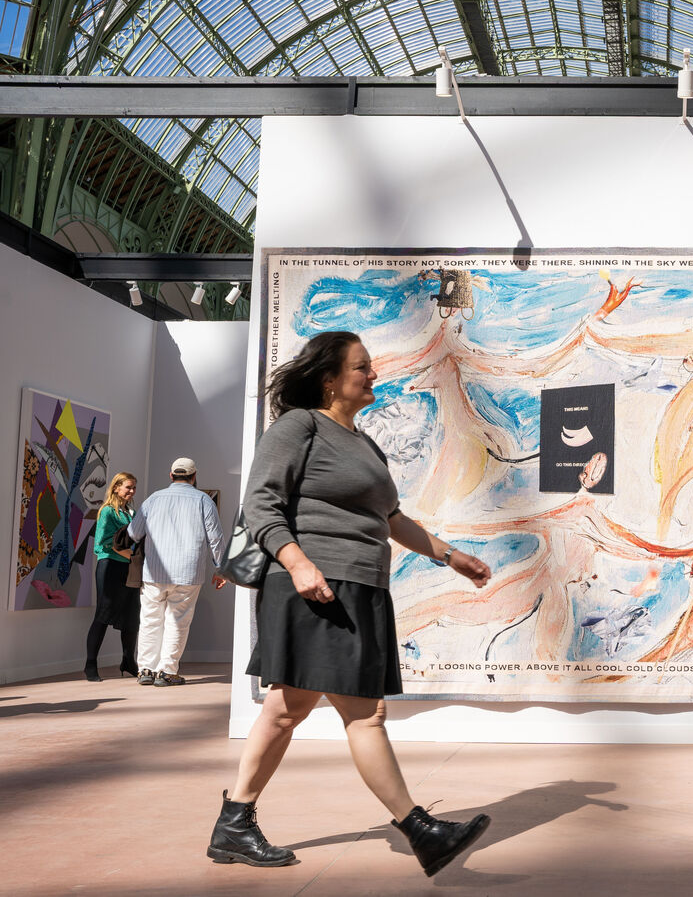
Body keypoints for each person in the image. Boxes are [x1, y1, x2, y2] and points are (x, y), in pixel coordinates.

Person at [209, 330, 495, 878]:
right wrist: (298, 564)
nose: (373, 374)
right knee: (363, 713)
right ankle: (420, 831)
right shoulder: (299, 426)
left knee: (288, 709)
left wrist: (450, 555)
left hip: (359, 586)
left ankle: (234, 823)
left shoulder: (363, 443)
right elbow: (261, 503)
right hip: (315, 585)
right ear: (329, 379)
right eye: (362, 366)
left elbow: (390, 519)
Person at [127, 457, 226, 687]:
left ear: (171, 475)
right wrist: (221, 568)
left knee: (150, 620)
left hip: (154, 571)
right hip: (187, 572)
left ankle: (146, 670)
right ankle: (167, 672)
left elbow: (133, 533)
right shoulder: (203, 500)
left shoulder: (153, 499)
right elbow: (215, 538)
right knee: (177, 621)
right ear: (194, 476)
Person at [83, 472, 140, 681]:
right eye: (128, 487)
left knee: (132, 616)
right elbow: (103, 543)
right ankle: (90, 665)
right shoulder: (107, 511)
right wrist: (132, 555)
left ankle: (128, 661)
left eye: (134, 487)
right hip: (110, 567)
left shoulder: (131, 512)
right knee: (103, 614)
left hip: (129, 568)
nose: (132, 491)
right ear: (116, 487)